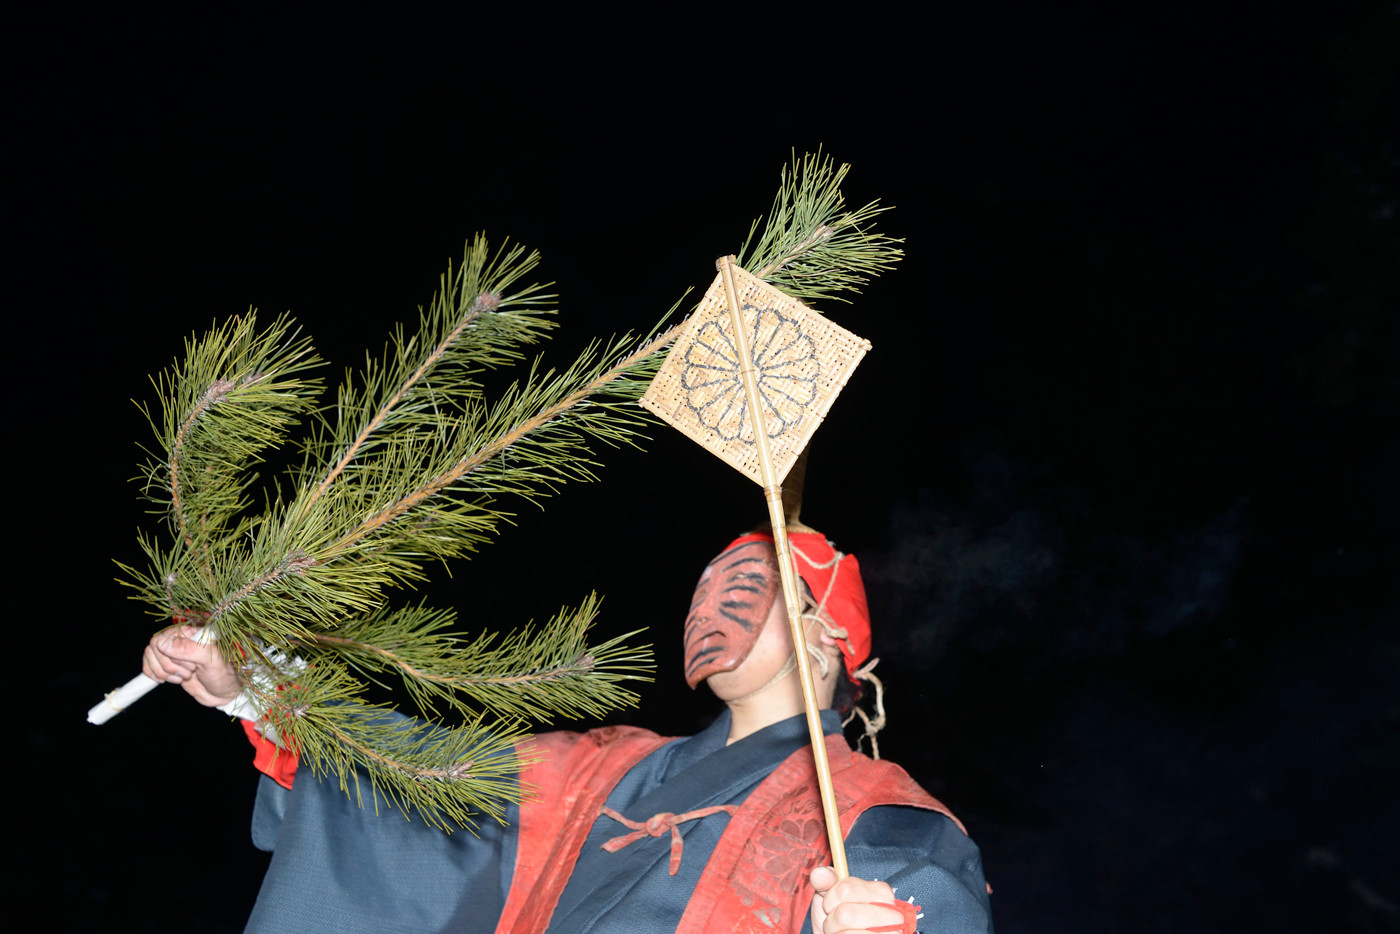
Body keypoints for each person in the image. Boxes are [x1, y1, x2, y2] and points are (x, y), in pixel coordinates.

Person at [144, 530, 993, 933]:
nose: (708, 606)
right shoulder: (606, 765)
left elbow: (927, 907)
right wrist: (254, 688)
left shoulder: (878, 815)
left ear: (824, 637)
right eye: (705, 585)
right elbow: (419, 781)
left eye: (748, 588)